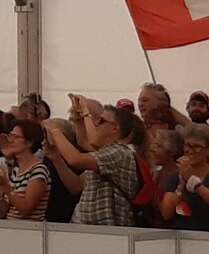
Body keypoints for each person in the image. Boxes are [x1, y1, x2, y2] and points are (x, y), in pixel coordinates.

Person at [50, 96, 142, 227]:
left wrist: (55, 130)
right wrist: (78, 119)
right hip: (88, 229)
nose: (96, 123)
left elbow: (75, 159)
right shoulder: (105, 152)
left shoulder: (119, 153)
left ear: (115, 129)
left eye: (102, 121)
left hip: (106, 230)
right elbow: (84, 143)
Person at [160, 124, 209, 232]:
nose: (190, 151)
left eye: (197, 147)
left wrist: (193, 182)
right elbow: (166, 213)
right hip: (182, 235)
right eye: (187, 145)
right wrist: (181, 184)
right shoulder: (175, 177)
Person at [0, 118, 51, 222]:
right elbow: (3, 211)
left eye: (16, 137)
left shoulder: (38, 170)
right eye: (10, 136)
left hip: (30, 228)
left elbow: (26, 210)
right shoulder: (16, 169)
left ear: (29, 142)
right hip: (10, 226)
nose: (10, 140)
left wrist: (6, 187)